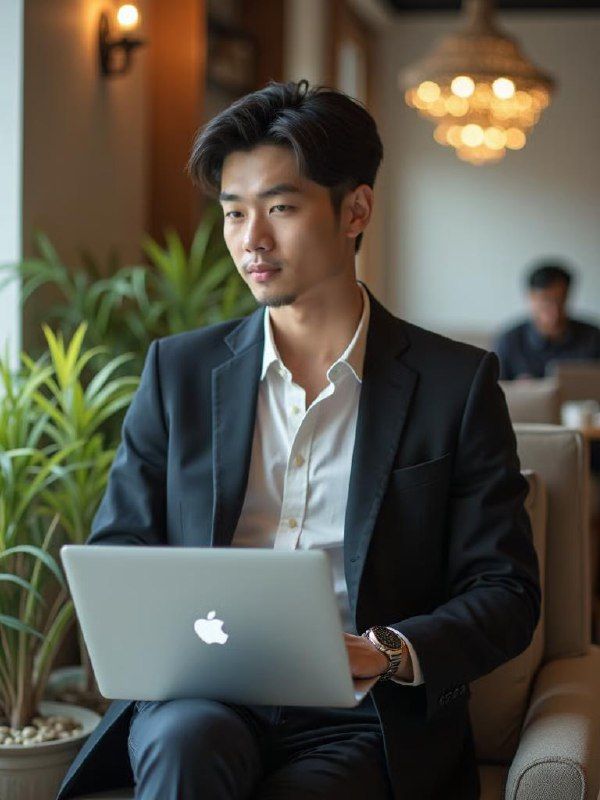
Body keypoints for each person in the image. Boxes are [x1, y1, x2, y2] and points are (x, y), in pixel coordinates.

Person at [56, 80, 540, 800]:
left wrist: (386, 653)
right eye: (233, 213)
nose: (251, 240)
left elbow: (505, 590)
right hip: (204, 694)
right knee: (186, 749)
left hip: (366, 712)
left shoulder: (454, 384)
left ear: (356, 210)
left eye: (280, 208)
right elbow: (120, 548)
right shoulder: (178, 373)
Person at [494, 262, 600, 381]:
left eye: (560, 301)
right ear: (531, 297)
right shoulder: (509, 341)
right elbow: (494, 392)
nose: (554, 312)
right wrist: (518, 392)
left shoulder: (593, 337)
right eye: (546, 301)